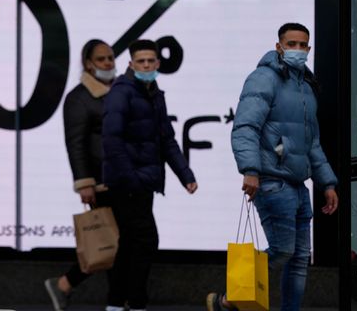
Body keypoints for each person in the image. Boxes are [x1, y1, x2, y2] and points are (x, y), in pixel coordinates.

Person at [207, 23, 338, 311]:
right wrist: (250, 170)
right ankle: (229, 299)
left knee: (299, 258)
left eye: (303, 45)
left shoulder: (306, 86)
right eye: (292, 44)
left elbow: (311, 142)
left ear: (309, 48)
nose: (298, 50)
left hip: (297, 183)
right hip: (271, 179)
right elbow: (245, 127)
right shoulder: (263, 78)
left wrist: (326, 183)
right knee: (283, 250)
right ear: (278, 46)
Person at [102, 39, 198, 311]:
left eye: (150, 61)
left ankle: (117, 302)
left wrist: (185, 174)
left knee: (131, 243)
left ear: (158, 63)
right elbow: (111, 141)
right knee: (144, 241)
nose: (146, 66)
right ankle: (136, 302)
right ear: (131, 64)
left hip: (143, 182)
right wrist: (131, 179)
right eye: (141, 61)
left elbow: (167, 139)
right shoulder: (121, 93)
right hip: (127, 184)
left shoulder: (154, 94)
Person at [44, 39, 116, 311]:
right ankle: (113, 301)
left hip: (123, 178)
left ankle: (64, 285)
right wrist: (85, 182)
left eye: (111, 57)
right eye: (101, 59)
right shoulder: (79, 97)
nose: (108, 63)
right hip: (100, 181)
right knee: (111, 243)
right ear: (88, 63)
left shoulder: (120, 90)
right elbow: (75, 143)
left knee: (119, 242)